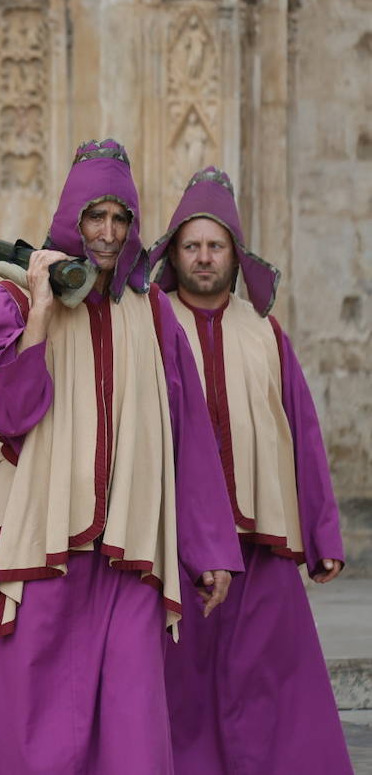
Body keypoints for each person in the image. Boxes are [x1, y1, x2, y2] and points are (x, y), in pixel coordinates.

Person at [0, 139, 244, 774]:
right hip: (36, 537)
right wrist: (43, 316)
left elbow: (187, 432)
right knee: (28, 717)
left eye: (121, 218)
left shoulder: (154, 313)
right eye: (95, 216)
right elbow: (5, 414)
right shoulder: (16, 300)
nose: (107, 233)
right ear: (72, 219)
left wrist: (209, 546)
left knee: (129, 716)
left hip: (127, 544)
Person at [150, 167, 353, 774]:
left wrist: (322, 533)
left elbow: (303, 433)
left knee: (274, 681)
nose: (204, 258)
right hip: (178, 543)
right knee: (182, 683)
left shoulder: (265, 332)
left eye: (216, 246)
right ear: (174, 253)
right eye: (192, 246)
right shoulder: (150, 323)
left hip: (259, 539)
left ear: (236, 255)